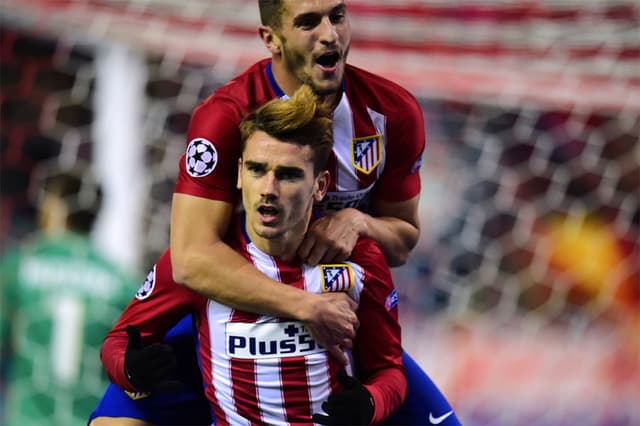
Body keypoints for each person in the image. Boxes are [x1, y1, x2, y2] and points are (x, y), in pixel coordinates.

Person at [92, 0, 460, 424]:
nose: (330, 34)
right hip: (229, 312)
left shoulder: (391, 113)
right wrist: (303, 306)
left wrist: (359, 221)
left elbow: (403, 240)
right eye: (308, 22)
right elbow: (191, 261)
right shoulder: (226, 117)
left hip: (333, 327)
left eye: (337, 16)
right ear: (271, 39)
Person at [98, 86, 406, 425]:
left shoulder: (359, 258)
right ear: (240, 173)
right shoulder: (201, 262)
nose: (269, 189)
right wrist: (132, 369)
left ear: (320, 185)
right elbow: (116, 343)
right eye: (258, 170)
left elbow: (389, 370)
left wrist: (369, 403)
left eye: (288, 175)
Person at [0, 164, 135, 426]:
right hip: (88, 418)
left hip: (26, 418)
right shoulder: (123, 281)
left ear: (55, 209)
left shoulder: (21, 265)